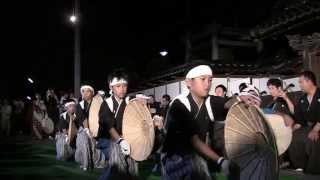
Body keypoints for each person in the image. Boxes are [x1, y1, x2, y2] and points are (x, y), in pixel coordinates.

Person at [161, 65, 238, 180]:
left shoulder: (209, 101)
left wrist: (242, 99)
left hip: (197, 156)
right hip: (175, 158)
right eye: (202, 79)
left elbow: (229, 103)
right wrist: (221, 161)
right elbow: (194, 140)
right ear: (189, 83)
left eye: (210, 80)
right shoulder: (179, 105)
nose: (207, 84)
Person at [99, 69, 138, 180]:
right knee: (115, 163)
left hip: (124, 137)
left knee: (130, 162)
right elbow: (108, 125)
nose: (122, 89)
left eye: (124, 86)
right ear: (111, 87)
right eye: (118, 86)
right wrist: (120, 140)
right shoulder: (107, 103)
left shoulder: (128, 102)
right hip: (106, 140)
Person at [288, 71, 320, 174]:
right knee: (293, 137)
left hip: (318, 127)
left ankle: (313, 171)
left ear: (309, 81)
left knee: (313, 140)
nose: (300, 85)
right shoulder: (302, 99)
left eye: (301, 82)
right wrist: (291, 130)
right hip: (308, 127)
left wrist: (316, 129)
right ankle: (300, 166)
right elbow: (300, 119)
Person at [74, 85, 106, 171]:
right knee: (84, 140)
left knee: (100, 141)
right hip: (84, 129)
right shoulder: (79, 105)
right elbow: (83, 118)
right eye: (83, 91)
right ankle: (85, 162)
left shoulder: (98, 103)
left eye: (87, 91)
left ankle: (99, 162)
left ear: (92, 93)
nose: (84, 93)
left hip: (96, 127)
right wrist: (87, 130)